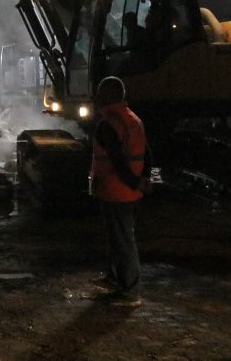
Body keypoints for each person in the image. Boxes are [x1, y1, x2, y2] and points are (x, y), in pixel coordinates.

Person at [89, 75, 150, 307]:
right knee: (118, 237)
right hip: (125, 191)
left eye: (100, 93)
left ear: (107, 96)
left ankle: (130, 291)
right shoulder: (133, 119)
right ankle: (115, 279)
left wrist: (134, 182)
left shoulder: (108, 124)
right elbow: (148, 154)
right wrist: (145, 181)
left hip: (115, 190)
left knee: (123, 240)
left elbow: (117, 161)